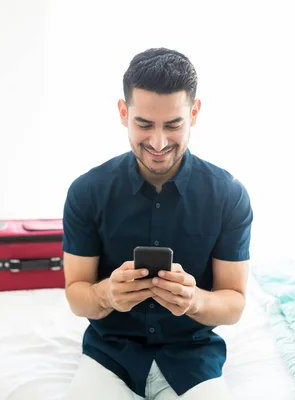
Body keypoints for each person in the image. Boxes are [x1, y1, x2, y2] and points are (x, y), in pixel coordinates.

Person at [61, 47, 253, 400]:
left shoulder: (229, 195)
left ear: (194, 113)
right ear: (123, 112)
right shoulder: (87, 192)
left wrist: (194, 300)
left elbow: (234, 303)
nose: (159, 142)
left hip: (192, 359)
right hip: (109, 356)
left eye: (174, 124)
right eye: (144, 124)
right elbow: (77, 296)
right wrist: (107, 295)